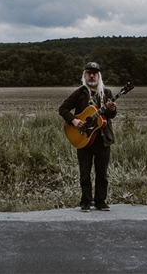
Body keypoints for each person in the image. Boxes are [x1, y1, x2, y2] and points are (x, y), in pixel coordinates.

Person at [59, 62, 117, 212]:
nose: (92, 76)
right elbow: (63, 108)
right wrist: (74, 120)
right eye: (89, 73)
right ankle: (85, 202)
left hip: (102, 139)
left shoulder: (107, 93)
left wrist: (112, 109)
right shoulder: (80, 93)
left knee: (102, 174)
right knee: (85, 173)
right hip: (83, 138)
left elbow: (110, 116)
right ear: (84, 76)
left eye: (95, 73)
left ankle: (100, 201)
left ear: (99, 76)